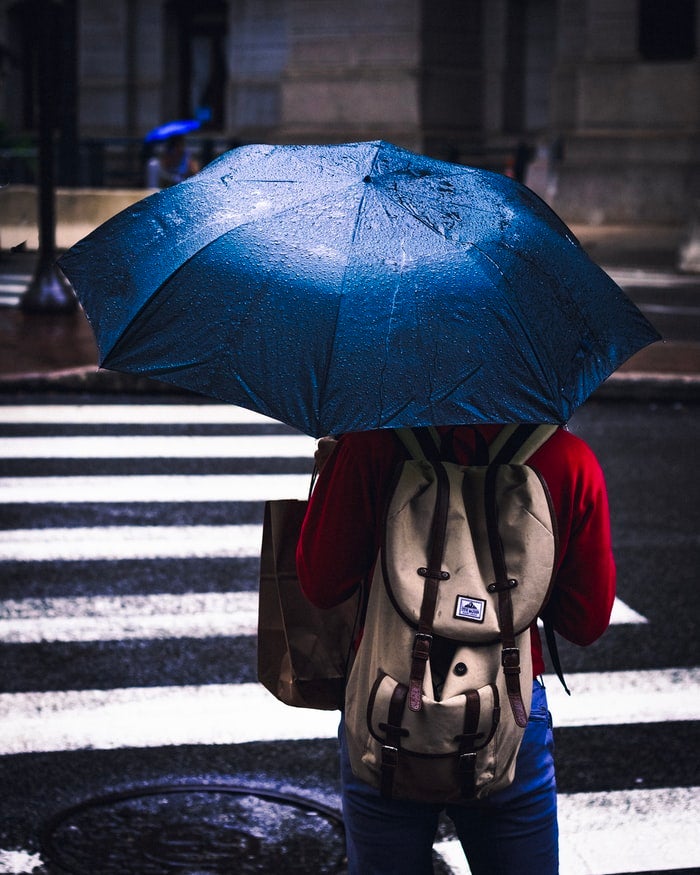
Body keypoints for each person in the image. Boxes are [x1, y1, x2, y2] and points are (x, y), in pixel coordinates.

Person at [296, 424, 616, 875]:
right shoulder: (566, 458)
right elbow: (585, 623)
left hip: (384, 704)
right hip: (509, 712)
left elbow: (322, 585)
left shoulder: (369, 444)